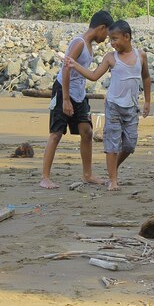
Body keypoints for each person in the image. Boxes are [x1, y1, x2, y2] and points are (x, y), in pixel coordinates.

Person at [66, 20, 151, 191]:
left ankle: (112, 169)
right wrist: (75, 65)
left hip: (132, 107)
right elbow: (93, 75)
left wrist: (148, 100)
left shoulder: (140, 55)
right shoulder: (111, 58)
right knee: (112, 143)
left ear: (127, 37)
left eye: (115, 39)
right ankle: (113, 180)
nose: (112, 43)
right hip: (113, 106)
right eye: (111, 39)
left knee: (129, 144)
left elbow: (146, 78)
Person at [40, 10, 114, 189]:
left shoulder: (89, 46)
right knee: (56, 133)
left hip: (79, 94)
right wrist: (65, 99)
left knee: (87, 132)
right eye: (107, 34)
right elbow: (66, 68)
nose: (107, 39)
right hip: (63, 91)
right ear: (101, 28)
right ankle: (45, 177)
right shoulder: (79, 42)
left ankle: (87, 174)